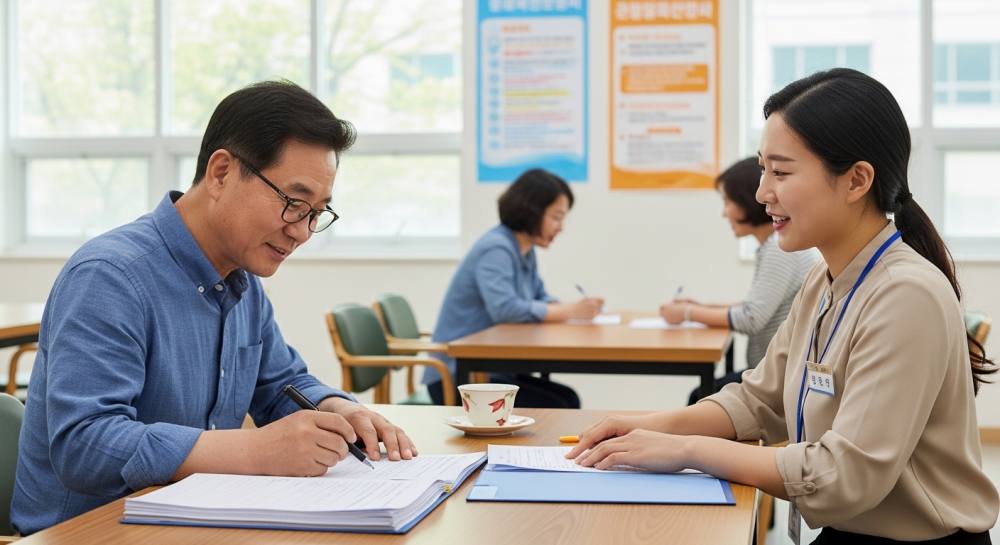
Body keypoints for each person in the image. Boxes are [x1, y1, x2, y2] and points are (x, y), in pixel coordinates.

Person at [566, 68, 998, 544]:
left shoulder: (905, 294)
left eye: (781, 172)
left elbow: (844, 476)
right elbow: (759, 399)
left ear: (856, 181)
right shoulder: (823, 280)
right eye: (763, 169)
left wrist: (688, 449)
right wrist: (646, 426)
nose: (761, 193)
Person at [12, 81, 417, 535]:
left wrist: (338, 409)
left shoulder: (242, 280)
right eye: (293, 203)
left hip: (193, 521)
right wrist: (256, 450)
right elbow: (85, 445)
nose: (303, 232)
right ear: (221, 172)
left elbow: (281, 384)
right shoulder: (110, 276)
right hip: (92, 533)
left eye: (317, 213)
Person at [424, 168, 603, 408]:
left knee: (568, 399)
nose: (561, 227)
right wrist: (570, 311)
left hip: (491, 369)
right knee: (558, 405)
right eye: (556, 217)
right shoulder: (497, 249)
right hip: (461, 377)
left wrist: (573, 309)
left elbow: (539, 296)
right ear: (532, 211)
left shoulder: (524, 249)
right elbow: (505, 310)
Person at [658, 157, 816, 405]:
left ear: (747, 200)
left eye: (727, 201)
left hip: (777, 381)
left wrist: (688, 313)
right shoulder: (773, 246)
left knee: (700, 397)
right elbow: (754, 305)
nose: (724, 213)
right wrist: (702, 307)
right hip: (770, 373)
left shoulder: (779, 249)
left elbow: (751, 318)